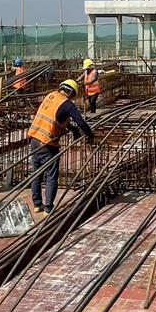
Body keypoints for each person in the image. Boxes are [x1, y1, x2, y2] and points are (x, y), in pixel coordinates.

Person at [26, 79, 94, 215]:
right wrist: (90, 134)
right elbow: (80, 121)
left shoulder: (51, 96)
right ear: (71, 93)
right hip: (47, 143)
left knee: (36, 173)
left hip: (34, 138)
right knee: (51, 175)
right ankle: (48, 208)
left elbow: (54, 117)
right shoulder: (67, 104)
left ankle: (37, 204)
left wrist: (72, 128)